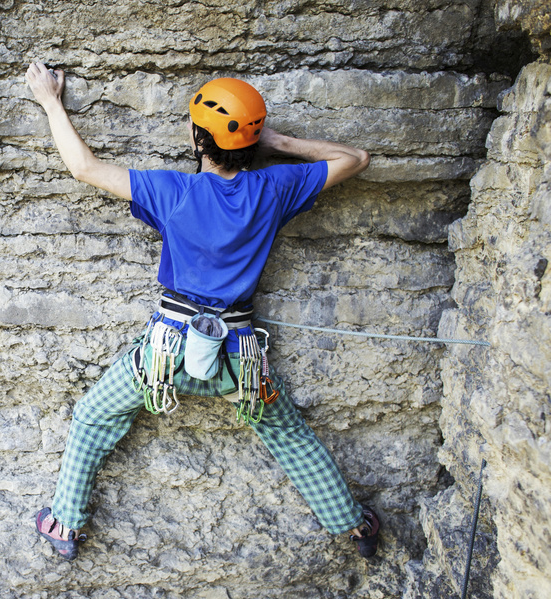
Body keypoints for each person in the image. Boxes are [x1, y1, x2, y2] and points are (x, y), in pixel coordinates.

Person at [24, 61, 379, 561]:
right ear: (252, 142)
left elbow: (83, 167)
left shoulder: (173, 191)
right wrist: (279, 144)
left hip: (164, 353)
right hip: (239, 357)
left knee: (91, 416)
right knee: (287, 434)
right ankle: (354, 527)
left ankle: (64, 524)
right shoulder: (272, 190)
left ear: (197, 137)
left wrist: (50, 102)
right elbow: (357, 158)